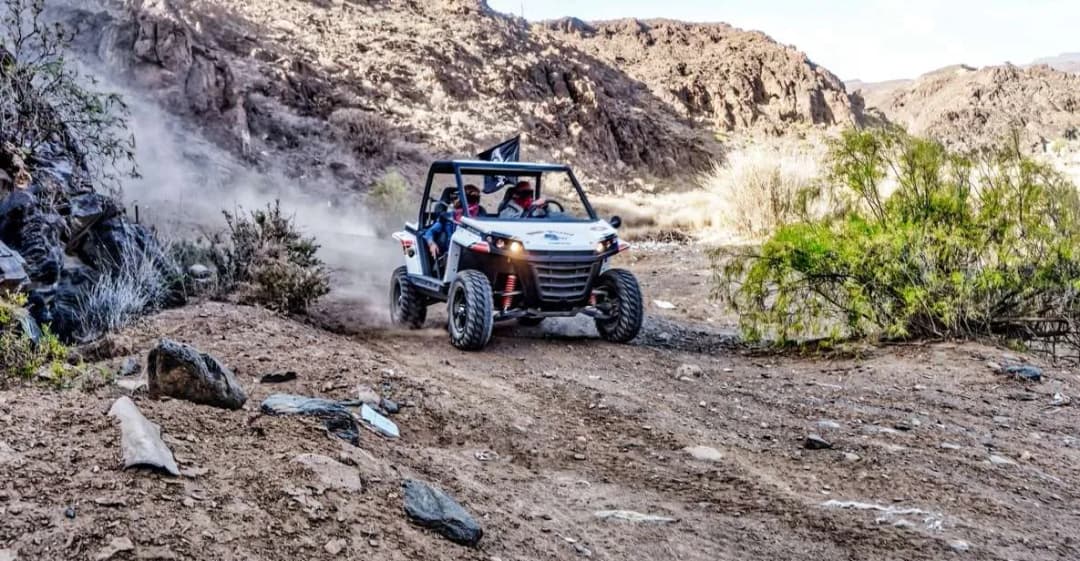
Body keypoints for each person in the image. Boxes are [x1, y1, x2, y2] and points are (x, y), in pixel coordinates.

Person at [425, 184, 482, 260]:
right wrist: (432, 244)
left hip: (475, 256)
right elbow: (430, 232)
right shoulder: (448, 218)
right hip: (451, 255)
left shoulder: (482, 218)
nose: (455, 201)